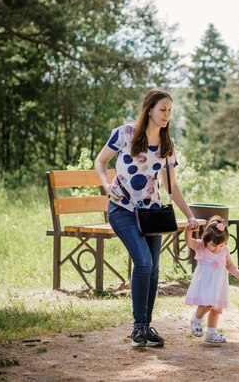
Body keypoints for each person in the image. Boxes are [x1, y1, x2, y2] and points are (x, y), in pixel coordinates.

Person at [95, 88, 199, 348]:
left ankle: (146, 326)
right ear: (149, 109)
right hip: (122, 209)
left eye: (170, 111)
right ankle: (139, 327)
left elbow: (172, 187)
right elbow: (100, 162)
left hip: (151, 213)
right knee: (143, 262)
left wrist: (190, 215)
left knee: (153, 269)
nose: (167, 115)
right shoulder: (125, 133)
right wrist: (107, 187)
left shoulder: (166, 145)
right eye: (163, 109)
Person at [185, 215, 239, 343]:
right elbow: (189, 241)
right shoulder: (201, 246)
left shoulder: (224, 250)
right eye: (214, 245)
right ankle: (196, 320)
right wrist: (188, 231)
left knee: (216, 309)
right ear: (206, 239)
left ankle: (211, 333)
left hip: (219, 284)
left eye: (222, 244)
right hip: (206, 283)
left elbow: (229, 265)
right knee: (208, 304)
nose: (218, 248)